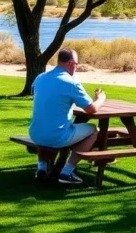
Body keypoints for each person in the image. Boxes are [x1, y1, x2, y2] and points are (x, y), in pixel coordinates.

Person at [29, 48, 106, 185]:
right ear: (71, 63)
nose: (76, 68)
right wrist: (100, 98)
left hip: (35, 133)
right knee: (94, 130)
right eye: (76, 64)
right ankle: (67, 172)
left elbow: (37, 95)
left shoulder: (40, 77)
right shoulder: (71, 82)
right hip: (57, 136)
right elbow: (91, 109)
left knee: (46, 123)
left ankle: (41, 168)